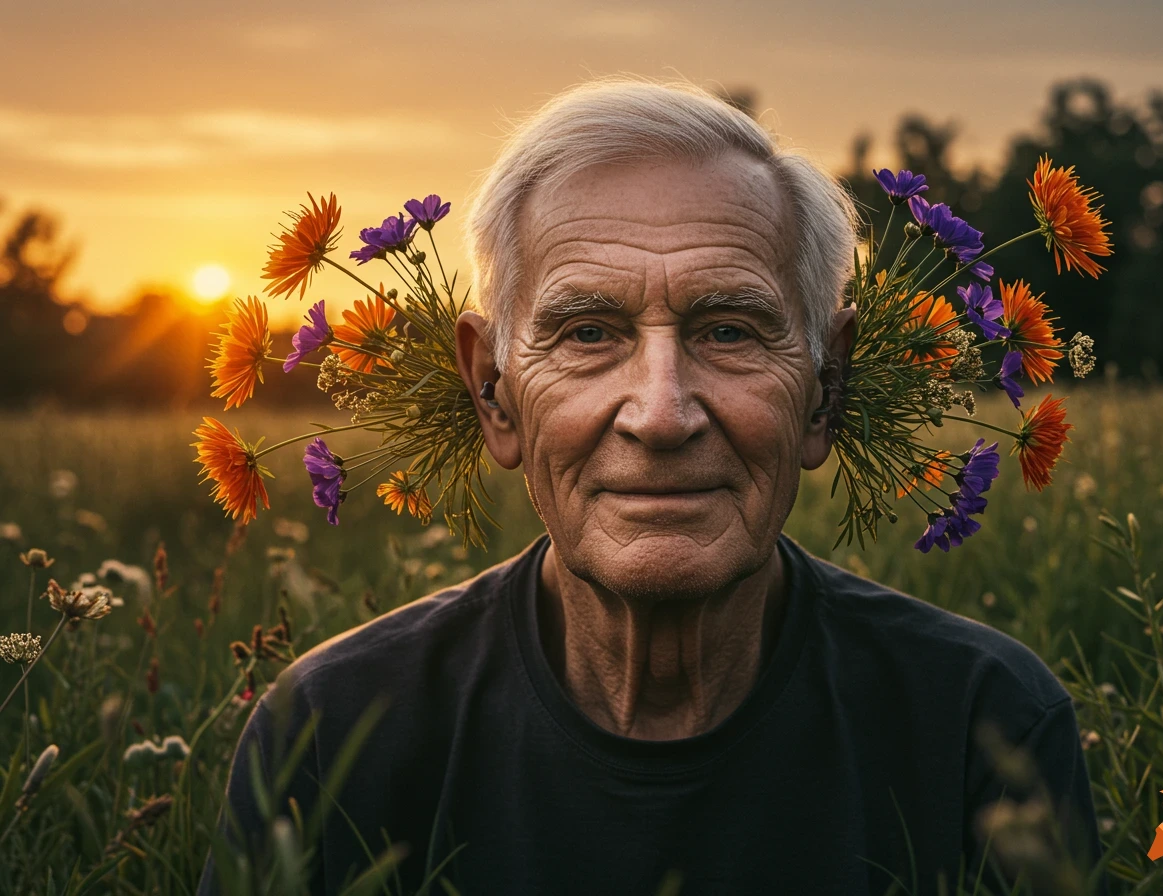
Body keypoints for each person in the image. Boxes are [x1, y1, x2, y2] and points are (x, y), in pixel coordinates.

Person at [197, 78, 1107, 896]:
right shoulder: (332, 739)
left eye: (730, 331)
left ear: (827, 389)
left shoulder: (982, 730)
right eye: (589, 333)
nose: (662, 414)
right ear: (494, 395)